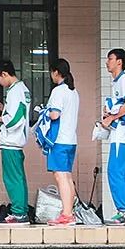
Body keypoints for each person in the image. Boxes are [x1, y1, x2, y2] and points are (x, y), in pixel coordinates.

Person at [0, 59, 31, 227]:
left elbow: (15, 118)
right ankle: (21, 210)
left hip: (11, 141)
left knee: (12, 179)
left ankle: (19, 213)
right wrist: (2, 107)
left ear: (4, 74)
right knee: (17, 178)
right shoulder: (20, 90)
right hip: (16, 141)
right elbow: (15, 113)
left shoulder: (15, 91)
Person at [101, 49, 125, 226]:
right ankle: (124, 212)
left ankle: (123, 212)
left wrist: (112, 117)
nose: (107, 62)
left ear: (119, 62)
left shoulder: (124, 80)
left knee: (115, 171)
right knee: (122, 172)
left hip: (122, 134)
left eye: (110, 59)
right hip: (122, 134)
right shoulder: (117, 82)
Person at [44, 59, 80, 227]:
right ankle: (69, 213)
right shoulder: (73, 92)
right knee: (67, 176)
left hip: (59, 141)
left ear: (56, 72)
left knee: (60, 176)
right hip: (71, 140)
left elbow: (54, 115)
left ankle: (66, 215)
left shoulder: (58, 91)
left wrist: (45, 111)